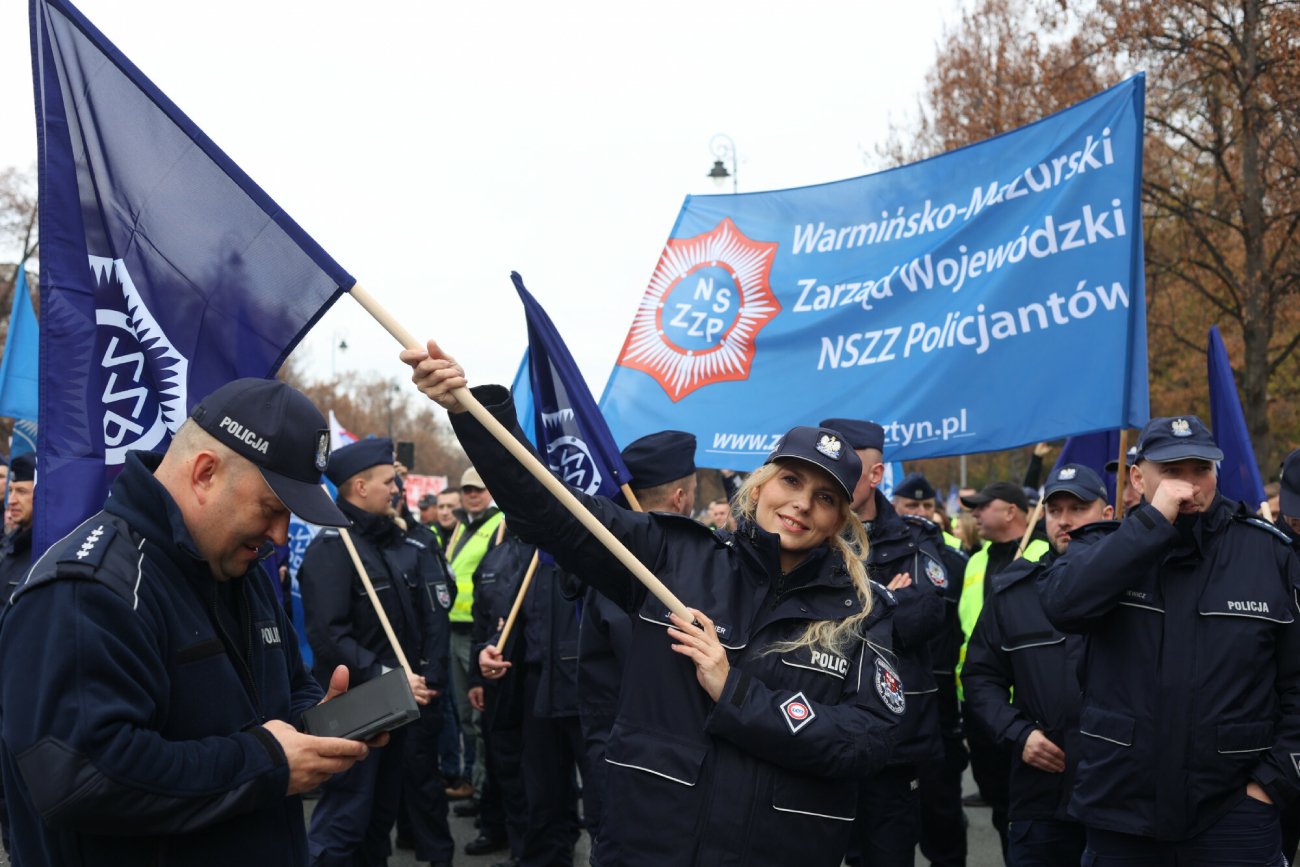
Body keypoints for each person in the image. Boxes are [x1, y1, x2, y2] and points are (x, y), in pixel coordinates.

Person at [403, 341, 903, 867]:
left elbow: (868, 742)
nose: (801, 503)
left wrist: (735, 692)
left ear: (840, 519)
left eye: (825, 497)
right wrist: (473, 413)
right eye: (792, 480)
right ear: (759, 488)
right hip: (650, 845)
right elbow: (551, 512)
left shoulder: (863, 612)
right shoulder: (672, 555)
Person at [0, 378, 374, 866]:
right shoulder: (86, 591)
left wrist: (318, 724)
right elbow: (82, 777)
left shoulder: (242, 570)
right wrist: (266, 763)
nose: (280, 536)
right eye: (272, 509)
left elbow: (286, 691)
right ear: (204, 473)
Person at [1040, 416, 1300, 865]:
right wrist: (1152, 524)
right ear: (1138, 478)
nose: (1189, 484)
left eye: (1201, 469)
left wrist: (1271, 784)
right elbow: (1064, 606)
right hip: (1121, 809)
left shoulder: (1269, 553)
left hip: (1233, 811)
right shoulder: (1102, 547)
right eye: (1172, 470)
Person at [298, 438, 445, 867]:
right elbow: (329, 638)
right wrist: (388, 676)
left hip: (393, 706)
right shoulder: (334, 547)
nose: (397, 489)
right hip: (358, 708)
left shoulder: (381, 544)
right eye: (388, 481)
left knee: (379, 820)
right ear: (360, 487)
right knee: (344, 822)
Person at [963, 463, 1113, 867]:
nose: (1064, 520)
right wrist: (1019, 733)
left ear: (1107, 513)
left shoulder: (1138, 587)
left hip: (1120, 797)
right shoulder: (1014, 592)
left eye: (1078, 508)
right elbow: (980, 676)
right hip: (1042, 797)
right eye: (1055, 509)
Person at [823, 418, 947, 867]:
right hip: (819, 732)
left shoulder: (915, 538)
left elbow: (926, 616)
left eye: (848, 468)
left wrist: (843, 614)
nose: (833, 480)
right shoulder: (806, 534)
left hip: (892, 744)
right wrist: (884, 601)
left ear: (876, 475)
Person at [579, 430, 698, 847]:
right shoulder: (663, 570)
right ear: (680, 499)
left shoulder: (610, 562)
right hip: (645, 770)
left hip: (619, 758)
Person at [957, 481, 1050, 861]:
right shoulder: (976, 560)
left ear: (1012, 510)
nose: (975, 514)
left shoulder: (1045, 553)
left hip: (1028, 711)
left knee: (1029, 815)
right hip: (981, 706)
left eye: (983, 506)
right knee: (998, 805)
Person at [892, 470, 970, 867]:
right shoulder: (874, 555)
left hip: (941, 706)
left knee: (943, 814)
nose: (920, 512)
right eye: (911, 505)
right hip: (894, 704)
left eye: (926, 505)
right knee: (889, 827)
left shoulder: (954, 561)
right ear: (894, 507)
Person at [445, 467, 504, 804]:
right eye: (467, 490)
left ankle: (484, 795)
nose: (472, 495)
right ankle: (474, 782)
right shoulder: (462, 526)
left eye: (478, 490)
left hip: (479, 634)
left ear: (489, 491)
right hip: (455, 629)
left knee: (480, 717)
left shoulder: (498, 524)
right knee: (466, 716)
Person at [0, 453, 36, 595]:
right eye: (10, 491)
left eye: (21, 491)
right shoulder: (9, 542)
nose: (11, 500)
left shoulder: (44, 550)